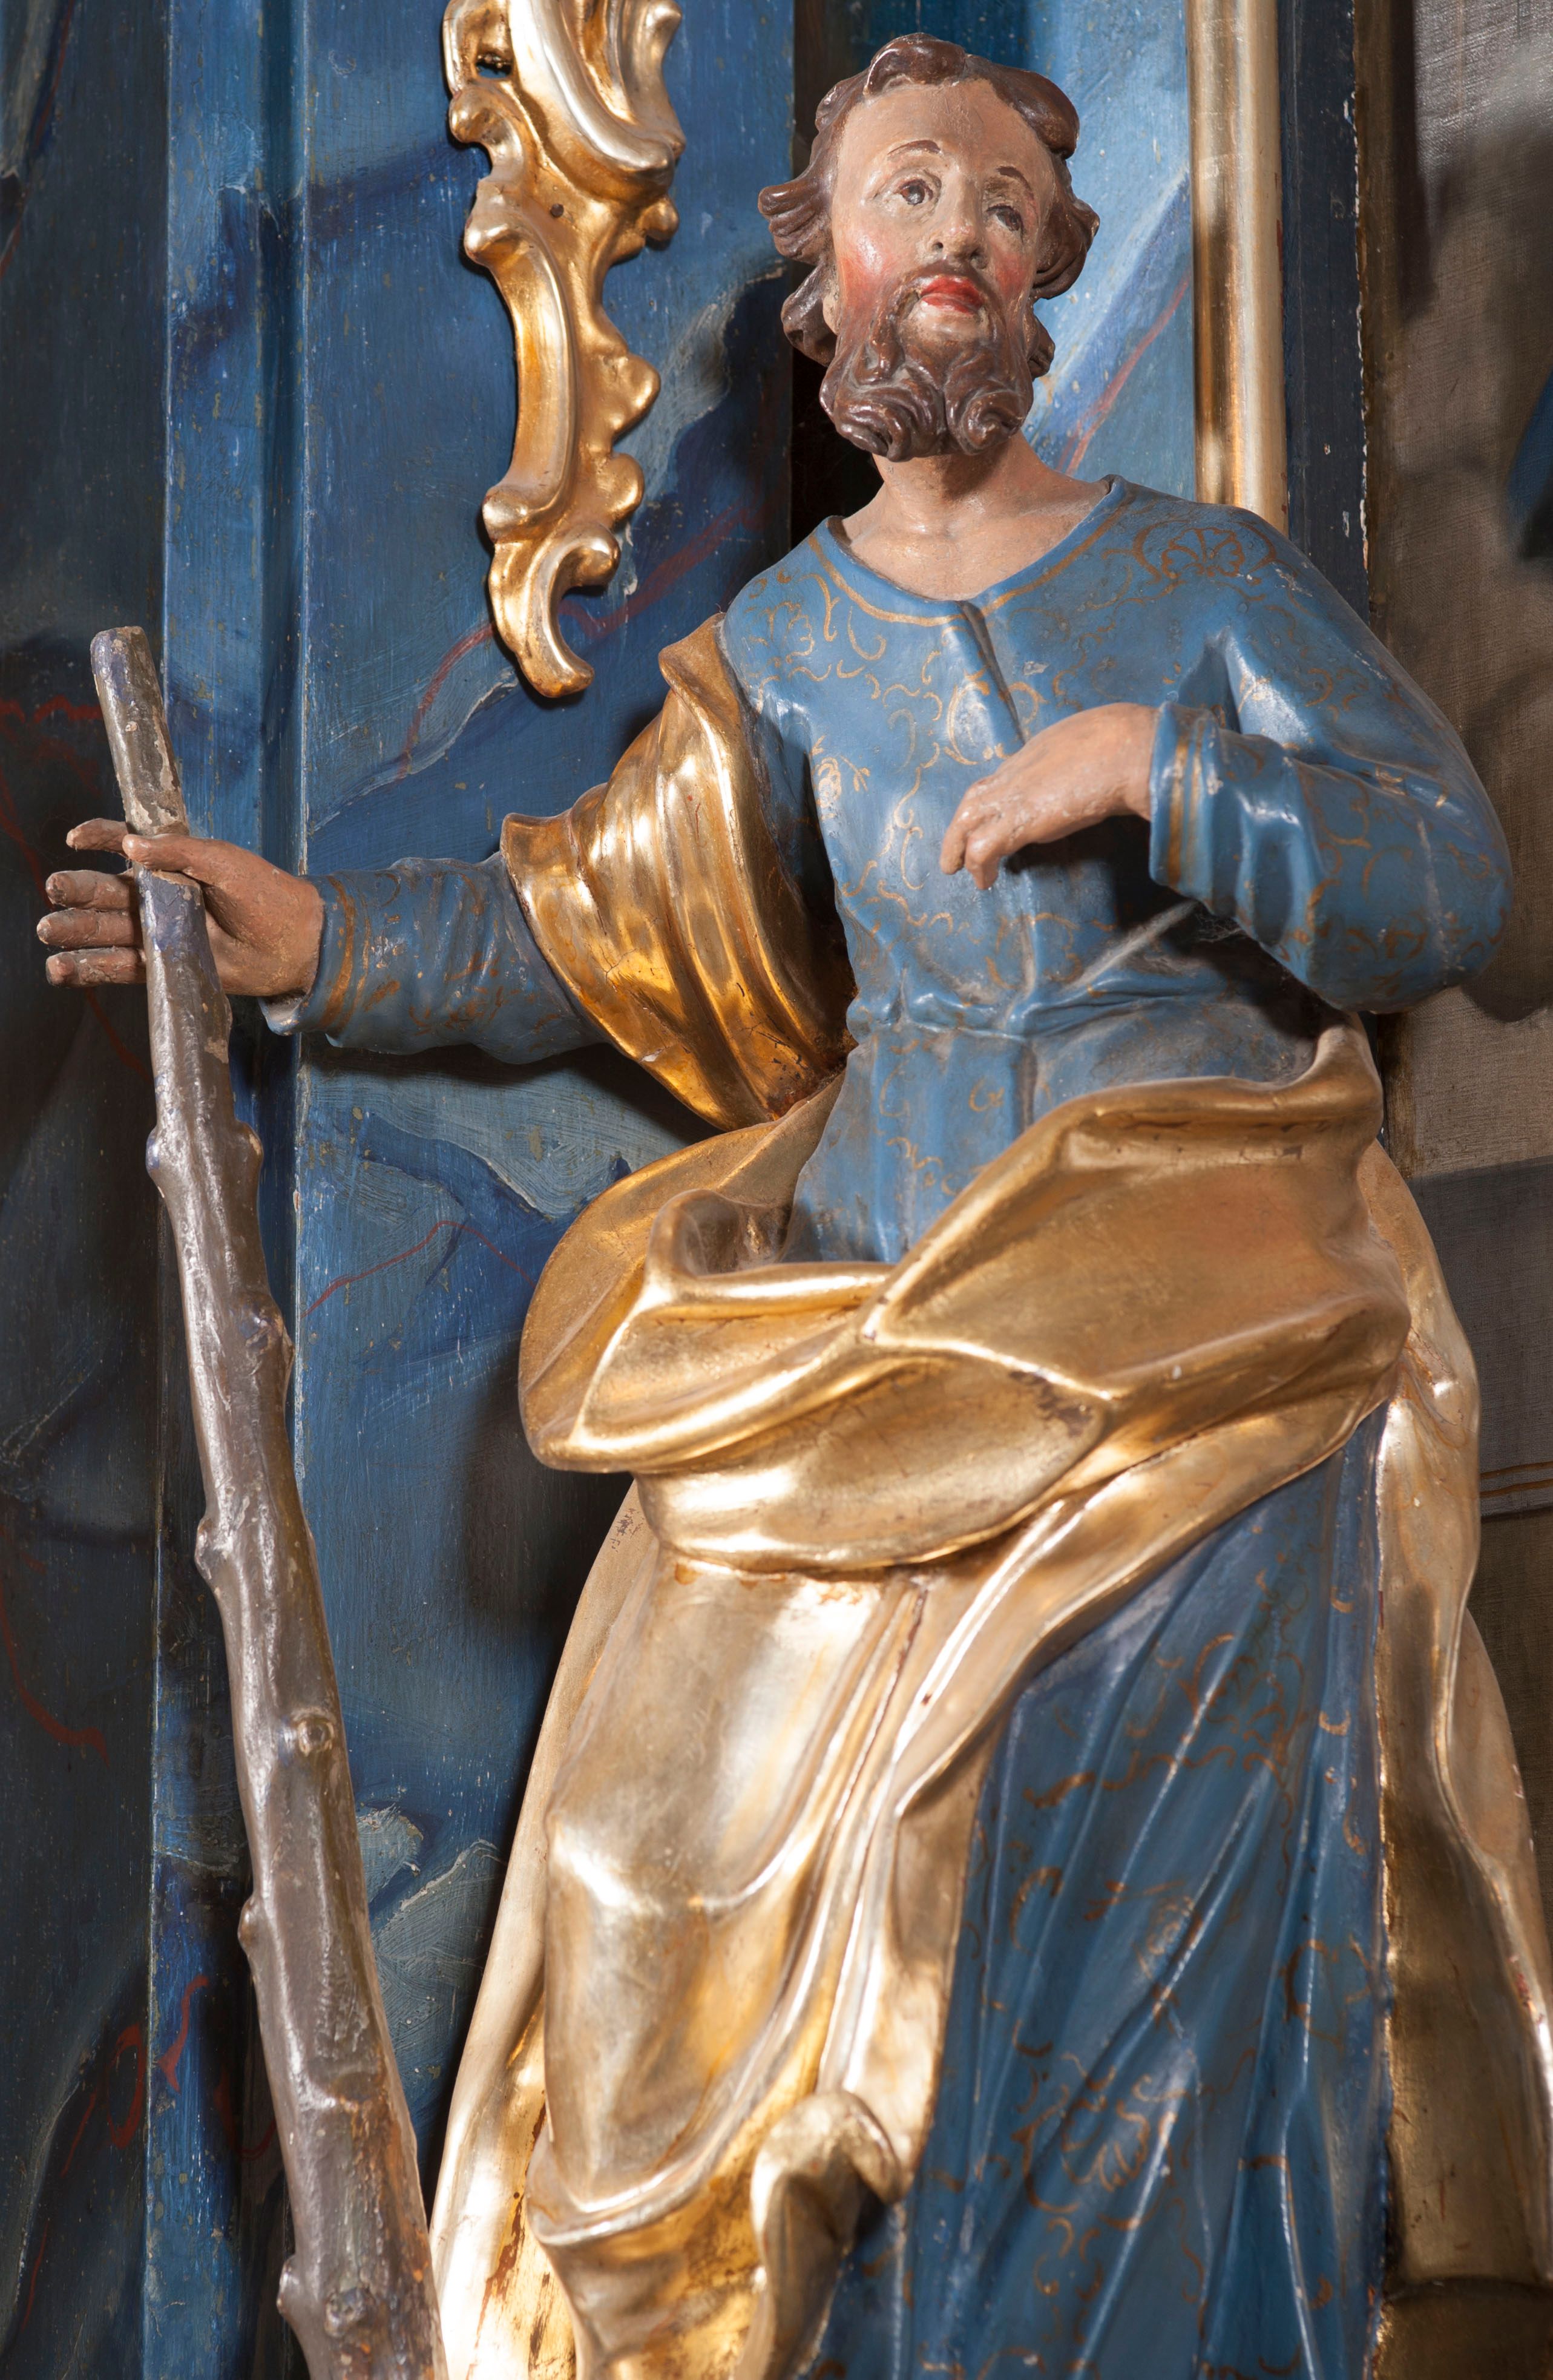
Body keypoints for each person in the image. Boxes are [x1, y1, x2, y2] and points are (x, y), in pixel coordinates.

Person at [39, 33, 1551, 2380]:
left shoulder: (1203, 584)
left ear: (1043, 277)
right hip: (872, 1328)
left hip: (1205, 1350)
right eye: (910, 194)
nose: (959, 238)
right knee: (652, 1869)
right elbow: (590, 924)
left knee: (1123, 1946)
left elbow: (1443, 881)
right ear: (824, 273)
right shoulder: (787, 653)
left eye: (1003, 210)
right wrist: (317, 940)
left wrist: (1167, 764)